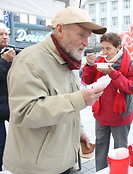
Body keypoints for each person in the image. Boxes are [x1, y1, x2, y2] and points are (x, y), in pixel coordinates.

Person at [3, 7, 106, 174]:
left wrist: (79, 132)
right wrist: (79, 99)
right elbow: (24, 112)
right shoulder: (29, 60)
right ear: (60, 29)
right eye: (81, 35)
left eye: (88, 37)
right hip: (37, 168)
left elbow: (67, 104)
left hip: (62, 160)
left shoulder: (68, 59)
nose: (86, 43)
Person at [82, 32, 133, 171]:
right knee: (101, 146)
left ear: (118, 47)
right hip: (101, 112)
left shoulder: (129, 62)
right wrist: (89, 65)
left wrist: (113, 73)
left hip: (120, 114)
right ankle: (100, 171)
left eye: (108, 48)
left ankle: (119, 171)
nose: (104, 52)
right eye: (103, 48)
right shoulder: (100, 61)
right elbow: (88, 80)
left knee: (120, 149)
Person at [0, 23, 16, 171]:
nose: (5, 37)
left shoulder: (8, 52)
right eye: (1, 34)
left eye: (6, 34)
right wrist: (4, 61)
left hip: (9, 106)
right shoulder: (4, 57)